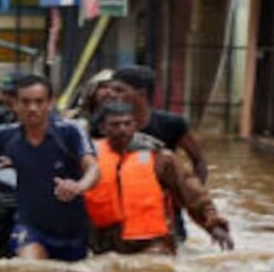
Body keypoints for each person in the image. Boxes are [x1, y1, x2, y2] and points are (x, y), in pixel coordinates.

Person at [0, 74, 99, 262]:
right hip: (30, 227)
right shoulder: (5, 136)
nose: (32, 108)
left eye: (39, 102)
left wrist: (79, 186)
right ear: (14, 104)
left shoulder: (69, 132)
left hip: (71, 232)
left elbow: (93, 168)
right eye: (25, 102)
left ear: (50, 103)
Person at [85, 101, 233, 254]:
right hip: (103, 242)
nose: (122, 130)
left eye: (127, 124)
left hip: (151, 242)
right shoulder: (88, 157)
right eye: (115, 125)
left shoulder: (160, 157)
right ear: (103, 128)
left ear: (135, 126)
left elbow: (192, 193)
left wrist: (213, 223)